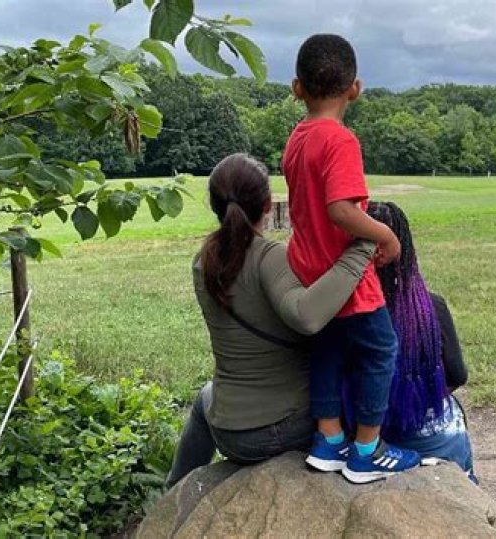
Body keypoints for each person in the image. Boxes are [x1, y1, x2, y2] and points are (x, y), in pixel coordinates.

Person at [165, 153, 376, 488]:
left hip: (225, 429)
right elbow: (307, 317)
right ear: (267, 205)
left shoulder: (203, 260)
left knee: (207, 394)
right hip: (277, 429)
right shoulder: (269, 257)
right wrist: (361, 248)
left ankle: (175, 490)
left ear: (215, 205)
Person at [283, 33, 420, 483]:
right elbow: (341, 211)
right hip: (347, 275)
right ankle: (366, 451)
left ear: (297, 88)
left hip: (312, 275)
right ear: (355, 89)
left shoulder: (297, 137)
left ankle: (328, 440)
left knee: (328, 350)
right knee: (381, 350)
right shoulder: (340, 140)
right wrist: (386, 236)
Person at [364, 201, 477, 483]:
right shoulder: (430, 307)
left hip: (370, 440)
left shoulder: (343, 312)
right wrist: (415, 403)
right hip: (437, 441)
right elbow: (458, 375)